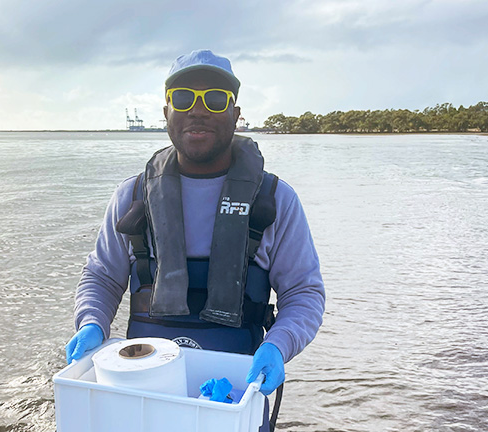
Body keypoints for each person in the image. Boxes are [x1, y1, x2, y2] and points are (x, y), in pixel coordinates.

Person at [65, 49, 325, 430]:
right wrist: (92, 323)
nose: (198, 110)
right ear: (166, 111)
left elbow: (304, 293)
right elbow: (102, 276)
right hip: (140, 396)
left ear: (236, 114)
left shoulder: (276, 201)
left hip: (236, 399)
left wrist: (278, 345)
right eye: (183, 97)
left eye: (215, 99)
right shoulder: (131, 196)